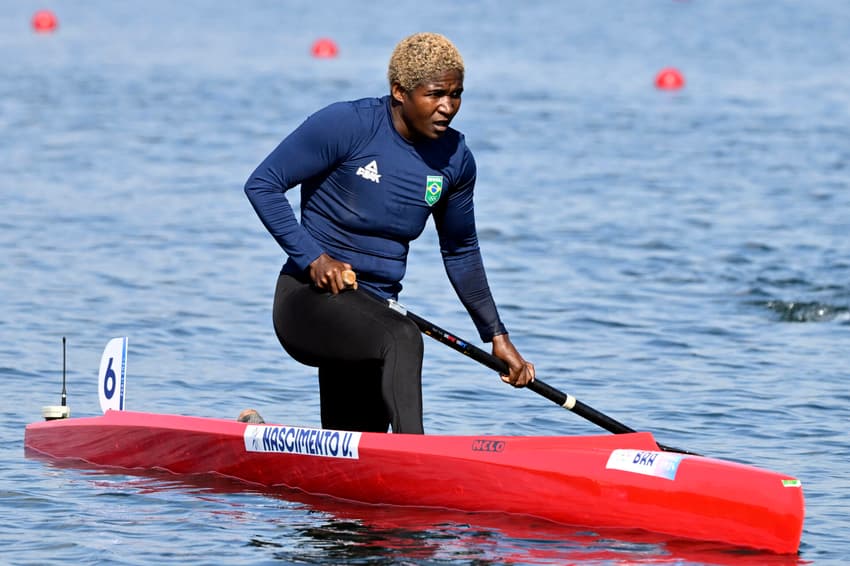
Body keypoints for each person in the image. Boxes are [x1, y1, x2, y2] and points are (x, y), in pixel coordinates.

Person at [244, 32, 534, 434]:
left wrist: (495, 334)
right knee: (403, 337)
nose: (448, 107)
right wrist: (314, 258)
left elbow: (461, 250)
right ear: (399, 91)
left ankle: (267, 439)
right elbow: (263, 184)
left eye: (456, 94)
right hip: (307, 302)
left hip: (374, 309)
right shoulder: (346, 125)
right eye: (435, 94)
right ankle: (418, 460)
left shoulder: (456, 160)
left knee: (354, 448)